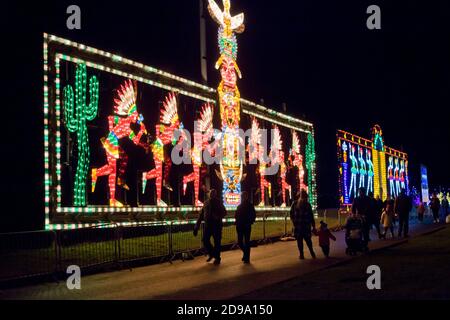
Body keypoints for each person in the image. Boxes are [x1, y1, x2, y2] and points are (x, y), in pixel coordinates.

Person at [193, 189, 227, 265]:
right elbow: (201, 215)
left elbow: (224, 212)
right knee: (205, 240)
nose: (211, 195)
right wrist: (196, 226)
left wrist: (218, 216)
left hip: (217, 226)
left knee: (217, 242)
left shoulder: (219, 202)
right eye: (211, 193)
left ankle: (217, 258)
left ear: (215, 194)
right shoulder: (206, 203)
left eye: (213, 193)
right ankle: (212, 254)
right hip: (208, 226)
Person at [290, 189, 316, 260]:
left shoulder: (295, 204)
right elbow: (311, 216)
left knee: (300, 241)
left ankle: (302, 254)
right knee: (308, 241)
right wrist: (313, 226)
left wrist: (294, 222)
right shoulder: (307, 205)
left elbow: (291, 214)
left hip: (298, 227)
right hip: (305, 226)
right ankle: (312, 253)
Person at [235, 191, 256, 264]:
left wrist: (250, 222)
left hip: (246, 226)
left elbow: (253, 215)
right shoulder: (239, 206)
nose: (242, 197)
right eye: (242, 196)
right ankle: (245, 253)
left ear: (246, 196)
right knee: (240, 242)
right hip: (240, 226)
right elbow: (236, 215)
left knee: (247, 242)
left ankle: (247, 257)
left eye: (243, 196)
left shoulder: (250, 205)